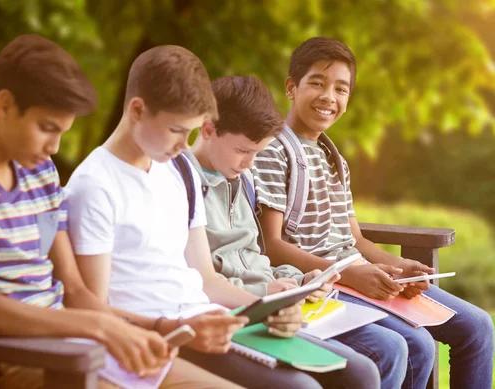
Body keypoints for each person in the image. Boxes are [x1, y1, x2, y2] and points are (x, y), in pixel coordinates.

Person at [0, 34, 239, 389]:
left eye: (62, 133)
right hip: (4, 361)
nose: (54, 147)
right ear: (4, 105)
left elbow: (73, 289)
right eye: (46, 129)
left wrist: (158, 329)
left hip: (75, 348)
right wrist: (97, 327)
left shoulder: (40, 175)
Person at [67, 44, 375, 389]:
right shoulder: (95, 185)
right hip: (166, 332)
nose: (186, 145)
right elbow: (92, 309)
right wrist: (174, 328)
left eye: (191, 131)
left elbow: (206, 278)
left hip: (211, 317)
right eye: (177, 130)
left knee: (361, 374)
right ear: (137, 110)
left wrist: (268, 306)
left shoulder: (177, 169)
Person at [253, 36, 494, 389]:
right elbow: (271, 246)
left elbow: (355, 239)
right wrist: (351, 275)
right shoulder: (273, 151)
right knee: (417, 345)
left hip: (358, 275)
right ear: (291, 87)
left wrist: (397, 268)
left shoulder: (335, 160)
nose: (328, 97)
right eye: (317, 83)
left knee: (478, 327)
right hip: (321, 283)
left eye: (340, 89)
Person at [185, 74, 412, 389]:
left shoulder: (240, 178)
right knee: (355, 368)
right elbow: (200, 276)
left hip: (277, 302)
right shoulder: (183, 183)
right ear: (207, 129)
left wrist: (300, 281)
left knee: (387, 353)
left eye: (256, 153)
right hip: (241, 310)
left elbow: (256, 256)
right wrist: (265, 297)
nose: (250, 164)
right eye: (243, 151)